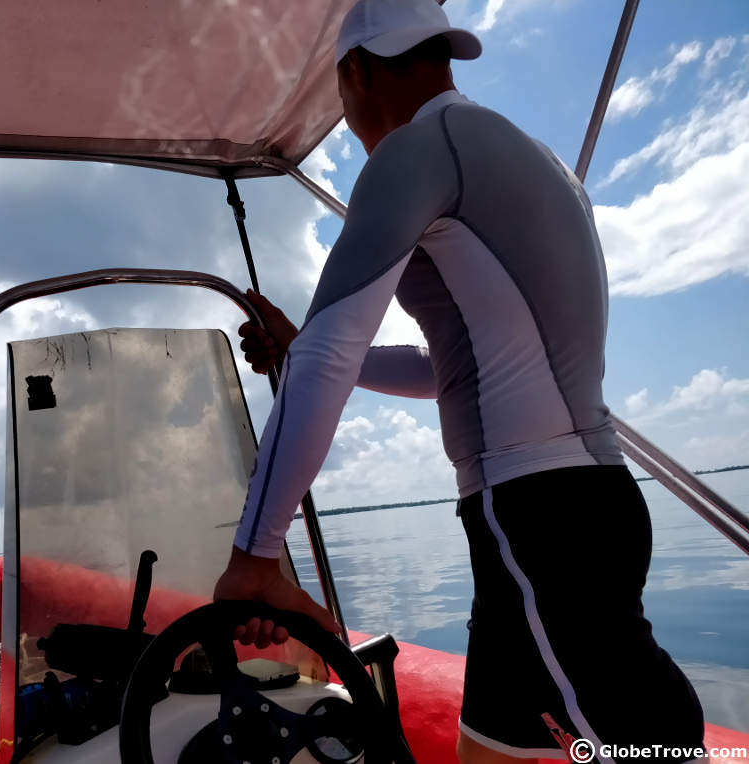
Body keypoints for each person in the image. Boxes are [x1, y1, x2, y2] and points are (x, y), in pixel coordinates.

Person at [212, 0, 706, 761]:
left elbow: (329, 357)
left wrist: (255, 557)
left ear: (354, 73)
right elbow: (446, 370)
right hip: (575, 506)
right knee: (491, 749)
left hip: (539, 517)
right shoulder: (526, 158)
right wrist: (298, 344)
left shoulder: (416, 151)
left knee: (654, 740)